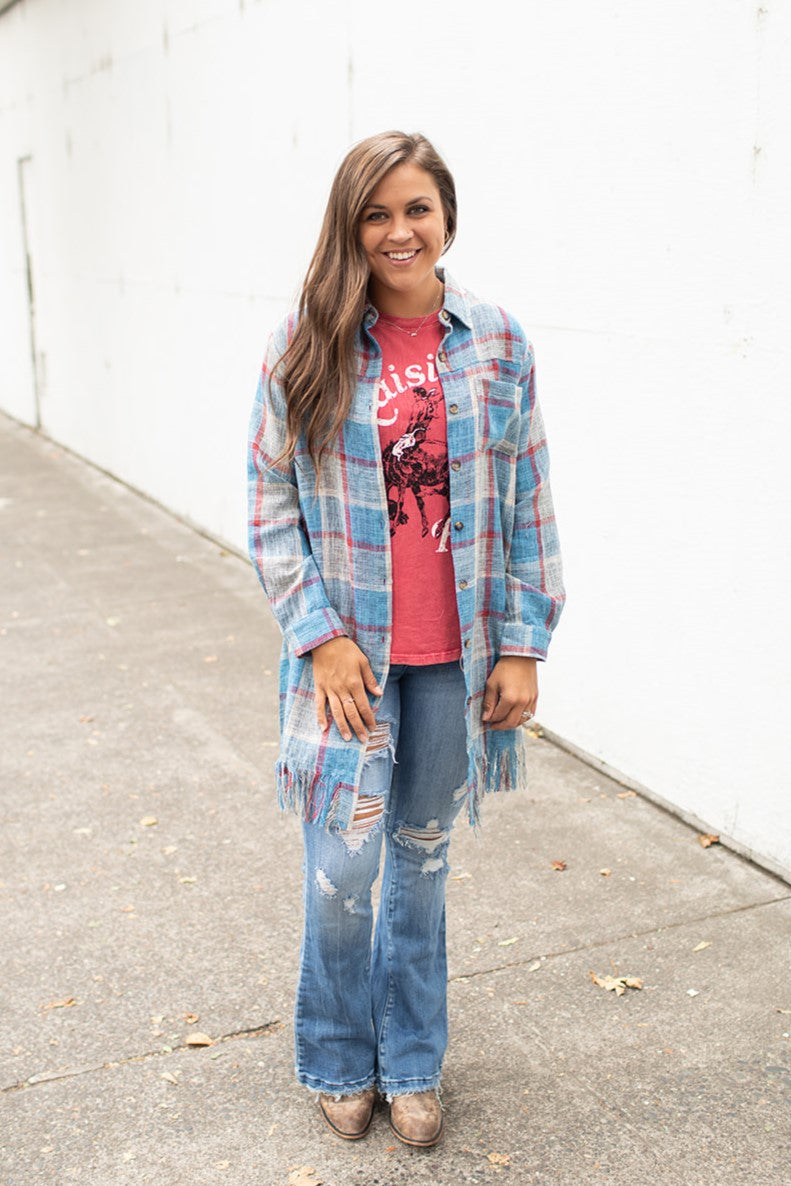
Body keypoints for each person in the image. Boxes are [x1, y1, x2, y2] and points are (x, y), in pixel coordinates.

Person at [247, 130, 564, 1148]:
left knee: (420, 860)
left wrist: (519, 641)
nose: (396, 231)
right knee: (342, 868)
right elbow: (269, 502)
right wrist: (316, 635)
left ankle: (414, 1061)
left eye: (414, 208)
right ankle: (339, 1057)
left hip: (452, 659)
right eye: (374, 213)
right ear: (350, 227)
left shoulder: (499, 342)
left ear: (446, 217)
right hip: (348, 661)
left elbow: (527, 501)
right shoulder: (306, 342)